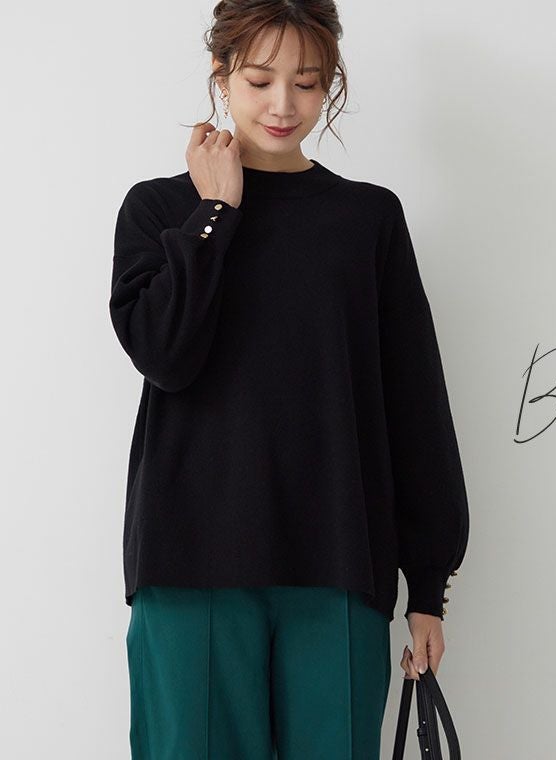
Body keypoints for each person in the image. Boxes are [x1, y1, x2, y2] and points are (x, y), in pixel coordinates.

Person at [109, 2, 469, 758]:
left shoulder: (367, 219)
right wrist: (215, 210)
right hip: (190, 562)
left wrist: (428, 585)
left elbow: (414, 407)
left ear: (329, 83)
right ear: (221, 75)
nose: (283, 105)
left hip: (338, 562)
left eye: (306, 83)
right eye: (260, 80)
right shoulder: (161, 209)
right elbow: (164, 354)